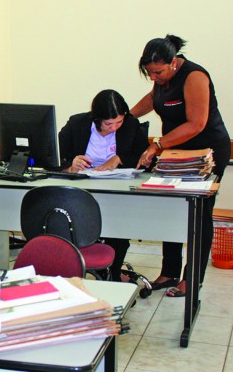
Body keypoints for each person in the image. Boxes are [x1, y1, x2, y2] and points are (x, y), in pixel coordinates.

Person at [132, 34, 231, 297]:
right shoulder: (161, 81)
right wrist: (125, 118)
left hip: (206, 153)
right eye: (149, 73)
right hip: (177, 151)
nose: (154, 77)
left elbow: (196, 123)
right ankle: (170, 272)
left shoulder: (194, 76)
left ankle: (192, 278)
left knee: (199, 213)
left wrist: (157, 145)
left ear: (173, 62)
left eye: (158, 72)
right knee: (170, 209)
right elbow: (152, 101)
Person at [59, 89, 148, 281]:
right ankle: (78, 268)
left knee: (118, 229)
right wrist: (70, 166)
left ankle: (113, 273)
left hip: (118, 193)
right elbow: (54, 154)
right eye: (108, 123)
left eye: (119, 122)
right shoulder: (77, 124)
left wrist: (119, 158)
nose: (114, 127)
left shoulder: (131, 125)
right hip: (82, 193)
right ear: (96, 118)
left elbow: (144, 158)